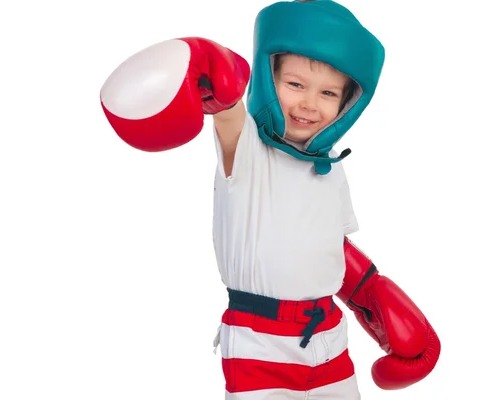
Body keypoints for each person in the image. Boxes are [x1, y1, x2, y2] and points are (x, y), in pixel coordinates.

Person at [100, 1, 441, 398]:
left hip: (329, 338)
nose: (309, 104)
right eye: (295, 84)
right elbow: (228, 113)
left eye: (328, 92)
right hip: (260, 343)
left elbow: (329, 245)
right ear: (267, 76)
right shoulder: (246, 149)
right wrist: (214, 83)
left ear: (348, 104)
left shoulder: (330, 165)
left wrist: (375, 298)